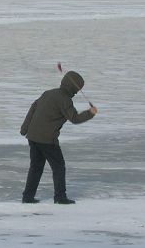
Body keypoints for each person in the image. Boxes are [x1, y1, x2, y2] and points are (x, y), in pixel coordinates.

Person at [20, 70, 97, 204]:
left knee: (36, 167)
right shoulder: (65, 100)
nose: (77, 92)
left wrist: (24, 128)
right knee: (59, 166)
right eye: (77, 89)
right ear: (72, 87)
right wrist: (90, 113)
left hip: (33, 136)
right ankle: (60, 197)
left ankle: (27, 196)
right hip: (47, 139)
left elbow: (33, 107)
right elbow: (75, 118)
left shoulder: (48, 92)